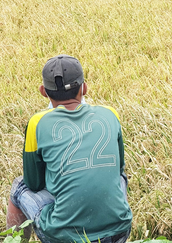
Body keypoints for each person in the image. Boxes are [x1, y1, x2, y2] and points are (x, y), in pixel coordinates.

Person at [7, 55, 132, 243]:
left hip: (63, 236)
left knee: (19, 186)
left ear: (43, 91)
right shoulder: (110, 114)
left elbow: (33, 183)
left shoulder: (37, 122)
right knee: (120, 176)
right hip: (119, 231)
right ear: (85, 87)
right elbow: (119, 167)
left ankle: (14, 241)